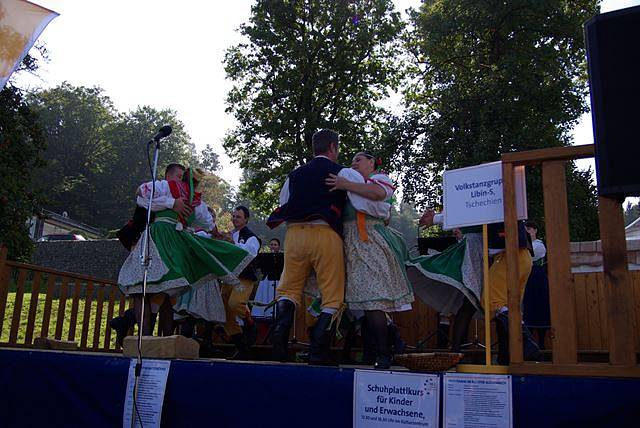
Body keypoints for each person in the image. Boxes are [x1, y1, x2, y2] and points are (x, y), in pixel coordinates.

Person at [118, 167, 254, 336]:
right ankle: (166, 339)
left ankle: (145, 339)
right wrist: (219, 235)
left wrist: (169, 203)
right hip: (177, 244)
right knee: (166, 294)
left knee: (141, 288)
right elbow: (210, 226)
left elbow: (141, 193)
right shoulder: (197, 202)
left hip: (159, 237)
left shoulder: (167, 186)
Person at [267, 128, 360, 364]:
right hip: (325, 234)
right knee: (332, 296)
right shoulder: (343, 172)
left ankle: (280, 335)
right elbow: (361, 201)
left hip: (295, 235)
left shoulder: (294, 175)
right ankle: (318, 349)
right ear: (332, 148)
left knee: (288, 290)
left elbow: (284, 203)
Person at [410, 211, 540, 365]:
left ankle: (518, 347)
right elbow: (471, 206)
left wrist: (438, 218)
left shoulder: (495, 205)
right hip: (489, 251)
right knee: (488, 304)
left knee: (493, 303)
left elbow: (475, 209)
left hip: (490, 252)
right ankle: (505, 354)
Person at [325, 151, 414, 369]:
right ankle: (387, 344)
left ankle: (384, 354)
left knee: (372, 300)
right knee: (361, 303)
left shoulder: (380, 179)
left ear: (372, 163)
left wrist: (345, 183)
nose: (353, 163)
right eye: (352, 160)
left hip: (369, 241)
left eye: (359, 160)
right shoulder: (349, 186)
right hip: (351, 243)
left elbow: (376, 194)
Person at [218, 205, 261, 359]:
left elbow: (251, 253)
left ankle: (249, 322)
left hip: (244, 277)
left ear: (246, 219)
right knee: (224, 312)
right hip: (229, 277)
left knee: (235, 304)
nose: (235, 219)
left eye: (239, 217)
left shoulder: (251, 237)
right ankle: (242, 348)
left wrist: (232, 243)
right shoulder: (229, 235)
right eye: (234, 216)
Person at [522, 220, 550, 349]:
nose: (527, 232)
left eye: (529, 229)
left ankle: (542, 345)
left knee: (540, 309)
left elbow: (530, 256)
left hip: (538, 279)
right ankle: (530, 345)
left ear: (535, 230)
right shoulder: (523, 246)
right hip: (527, 279)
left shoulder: (539, 245)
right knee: (528, 310)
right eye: (525, 230)